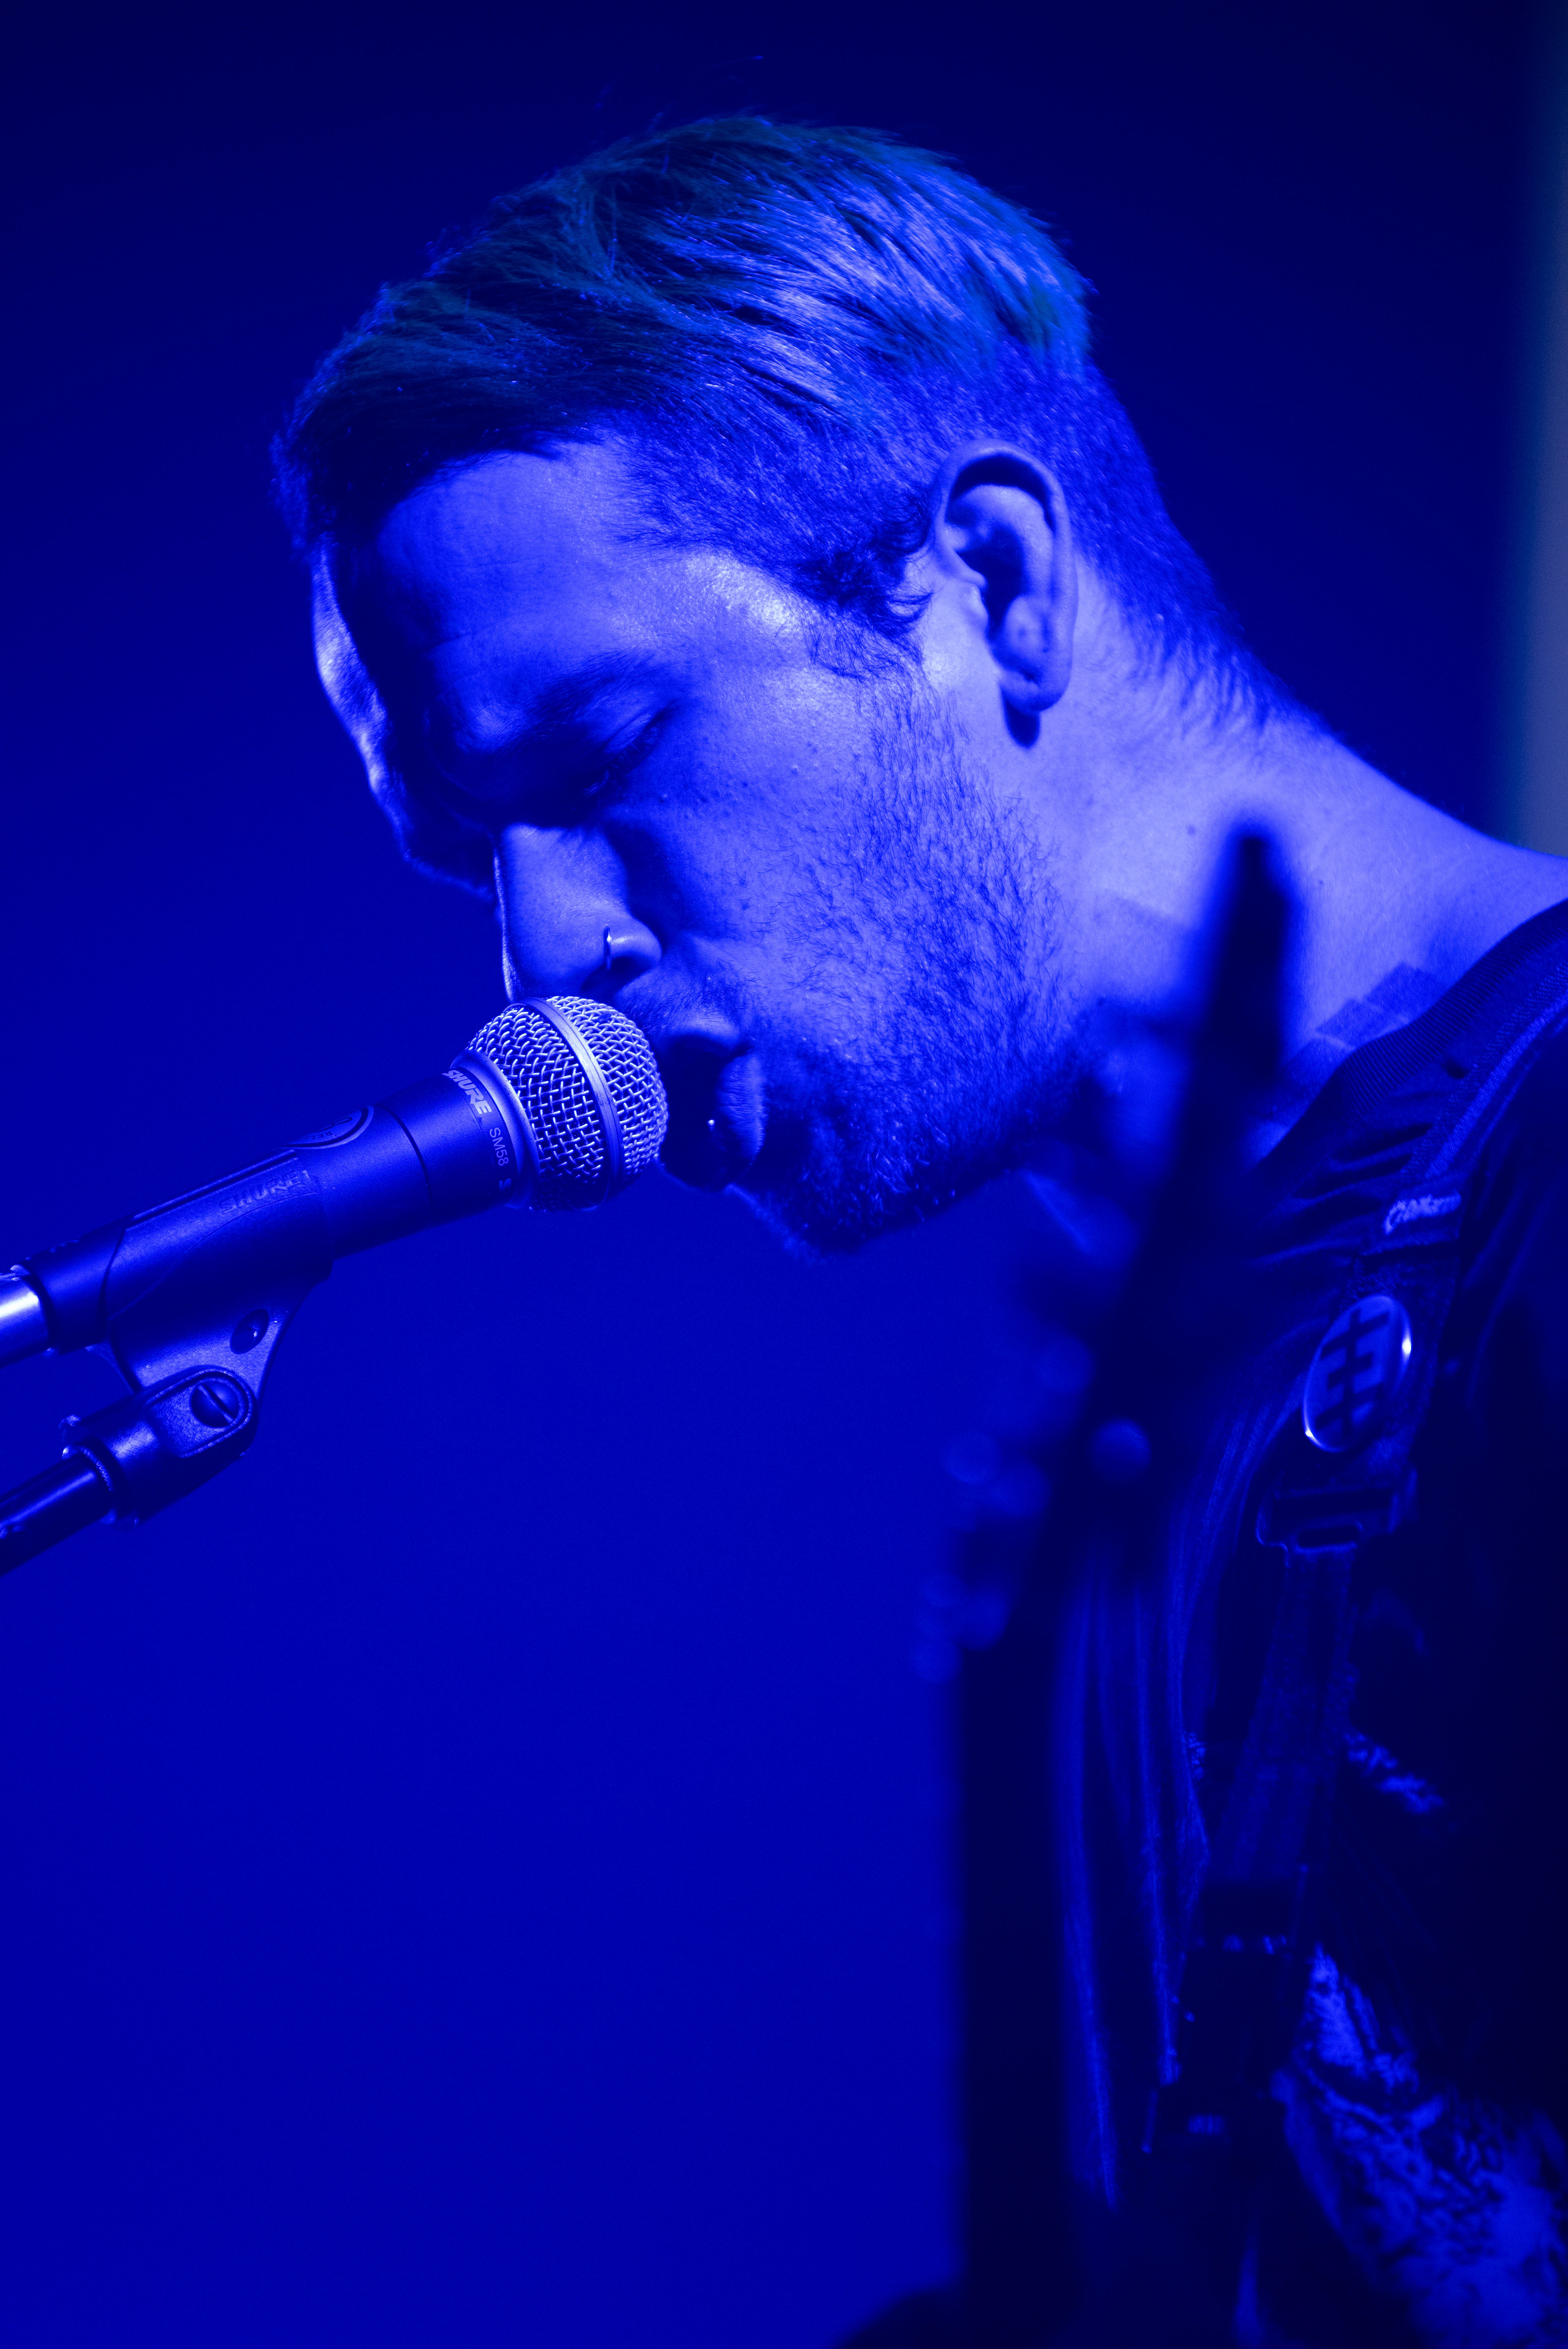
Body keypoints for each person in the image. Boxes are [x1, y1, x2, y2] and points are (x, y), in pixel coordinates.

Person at [275, 119, 1568, 2345]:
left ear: (989, 582)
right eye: (474, 858)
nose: (544, 961)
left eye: (597, 757)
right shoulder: (1138, 1426)